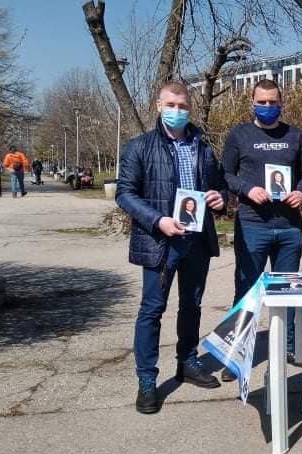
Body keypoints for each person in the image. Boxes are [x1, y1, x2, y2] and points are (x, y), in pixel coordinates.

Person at [116, 81, 228, 414]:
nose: (177, 111)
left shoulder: (202, 147)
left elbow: (219, 186)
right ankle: (147, 380)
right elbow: (124, 194)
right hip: (160, 241)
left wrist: (220, 199)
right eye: (171, 105)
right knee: (152, 310)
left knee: (192, 305)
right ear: (158, 106)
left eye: (183, 106)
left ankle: (187, 361)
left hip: (197, 240)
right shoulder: (140, 147)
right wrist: (158, 221)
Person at [222, 78, 302, 379]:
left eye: (273, 102)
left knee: (287, 292)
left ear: (281, 102)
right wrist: (247, 189)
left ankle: (288, 347)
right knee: (246, 291)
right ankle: (236, 353)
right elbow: (226, 174)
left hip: (289, 228)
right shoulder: (239, 135)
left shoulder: (295, 135)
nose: (267, 106)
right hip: (252, 225)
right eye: (262, 102)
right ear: (252, 102)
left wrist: (301, 192)